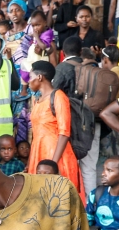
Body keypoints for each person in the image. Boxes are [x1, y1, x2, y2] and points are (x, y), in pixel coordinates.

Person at [26, 61, 83, 200]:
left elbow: (64, 132)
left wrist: (53, 164)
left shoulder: (58, 96)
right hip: (38, 152)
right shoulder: (37, 100)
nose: (28, 81)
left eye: (30, 76)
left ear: (40, 77)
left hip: (57, 153)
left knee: (58, 197)